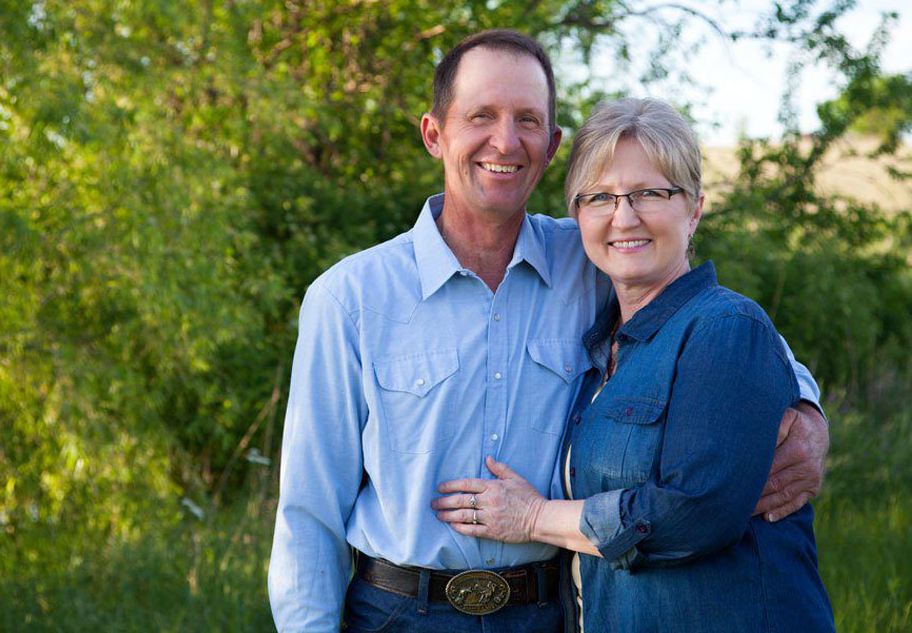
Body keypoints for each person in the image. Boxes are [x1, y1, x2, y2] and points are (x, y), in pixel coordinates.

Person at [268, 31, 829, 632]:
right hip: (399, 612)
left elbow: (720, 330)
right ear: (435, 133)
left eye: (528, 120)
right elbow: (310, 516)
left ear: (552, 143)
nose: (505, 141)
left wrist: (806, 411)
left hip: (543, 612)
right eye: (481, 115)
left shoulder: (592, 257)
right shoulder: (350, 298)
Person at [432, 98, 835, 632]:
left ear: (694, 208)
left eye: (650, 192)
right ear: (577, 217)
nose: (624, 217)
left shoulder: (725, 326)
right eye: (600, 197)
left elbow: (693, 514)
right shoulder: (603, 349)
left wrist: (532, 517)